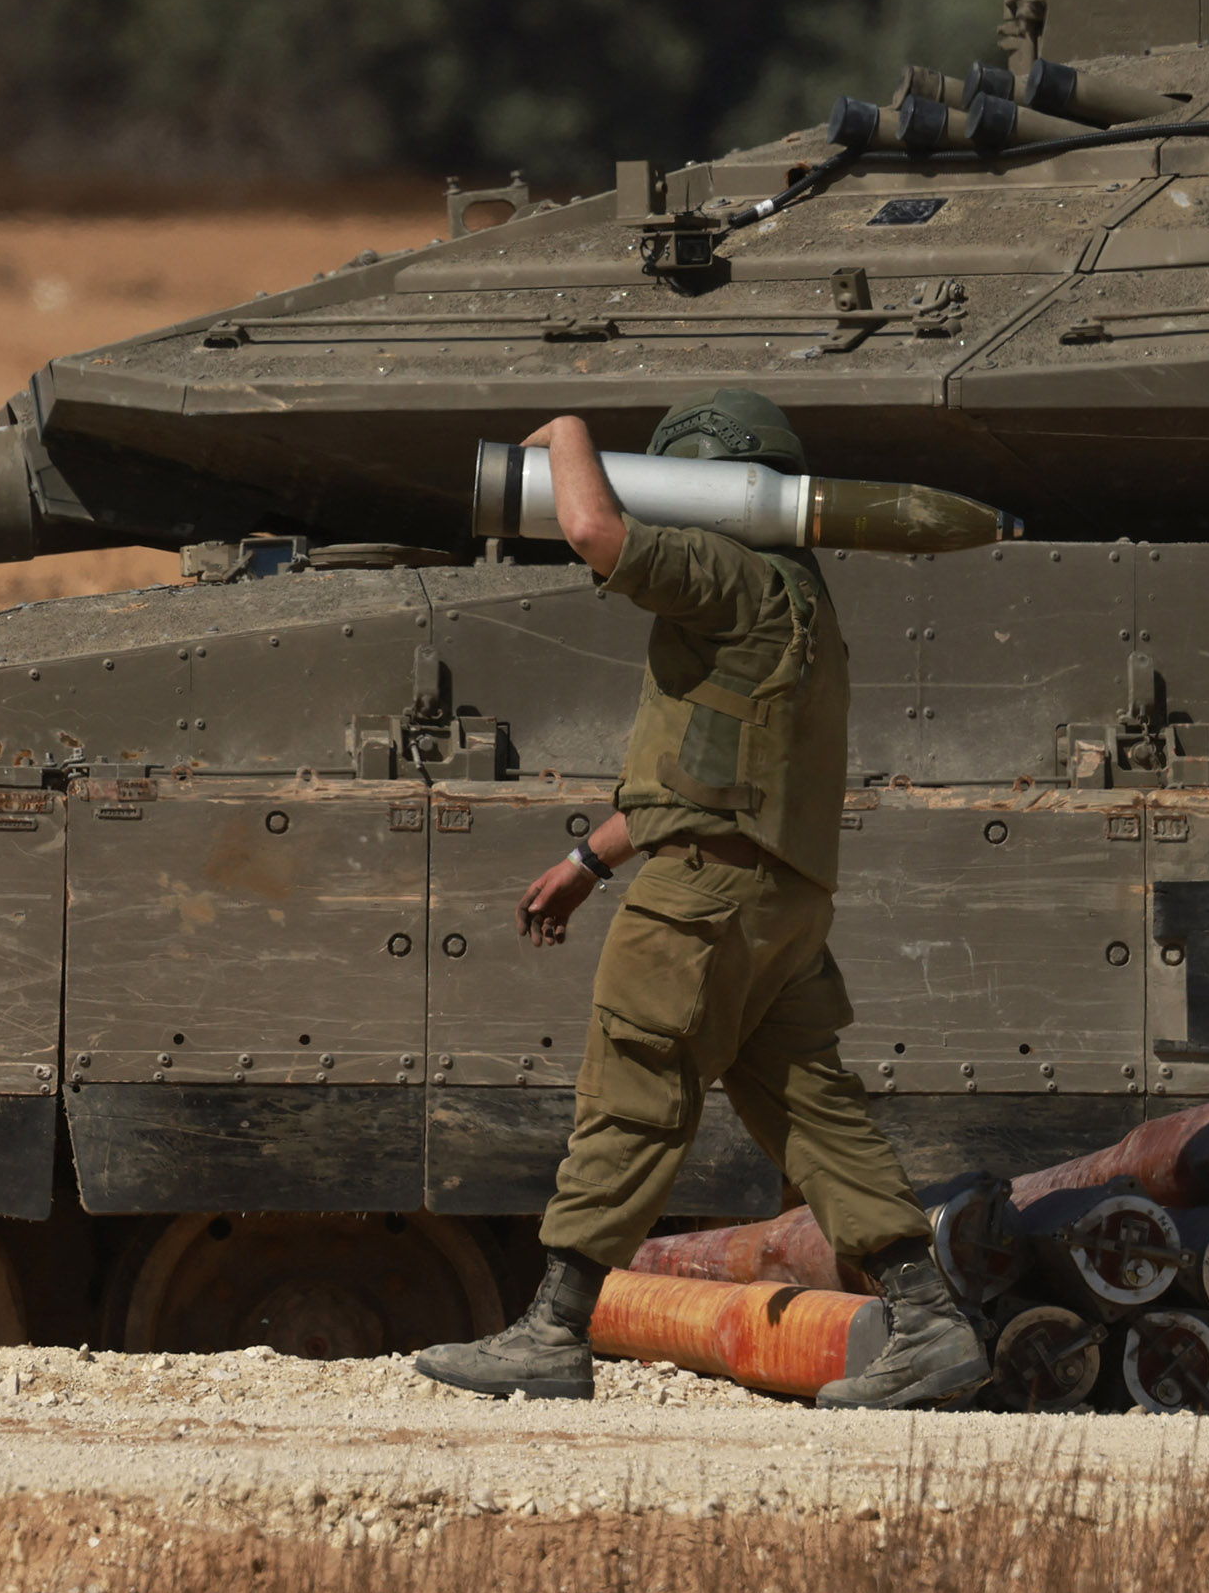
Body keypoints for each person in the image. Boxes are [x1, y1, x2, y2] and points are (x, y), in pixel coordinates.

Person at [414, 390, 991, 1410]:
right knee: (818, 1115)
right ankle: (933, 1323)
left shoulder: (723, 574)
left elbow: (595, 529)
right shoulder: (800, 598)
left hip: (704, 901)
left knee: (632, 1092)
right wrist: (591, 859)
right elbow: (718, 761)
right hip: (778, 903)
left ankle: (553, 1328)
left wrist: (567, 434)